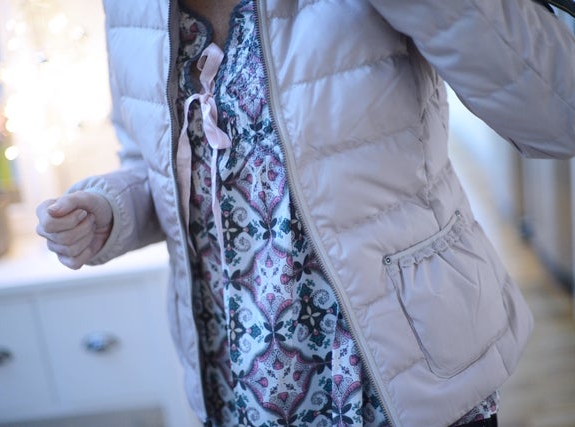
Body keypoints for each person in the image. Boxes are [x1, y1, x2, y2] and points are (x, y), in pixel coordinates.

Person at [36, 1, 575, 426]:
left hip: (402, 379)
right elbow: (154, 162)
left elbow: (558, 118)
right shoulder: (129, 10)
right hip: (239, 390)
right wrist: (112, 208)